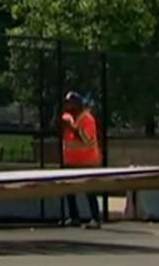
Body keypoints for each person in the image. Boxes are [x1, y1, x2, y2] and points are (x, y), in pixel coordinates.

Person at [60, 91, 102, 229]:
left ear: (78, 104)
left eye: (70, 103)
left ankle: (95, 218)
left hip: (87, 161)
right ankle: (74, 217)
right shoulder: (68, 117)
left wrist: (72, 128)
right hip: (71, 161)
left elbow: (87, 140)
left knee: (89, 190)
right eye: (66, 103)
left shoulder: (86, 119)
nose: (67, 105)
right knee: (70, 190)